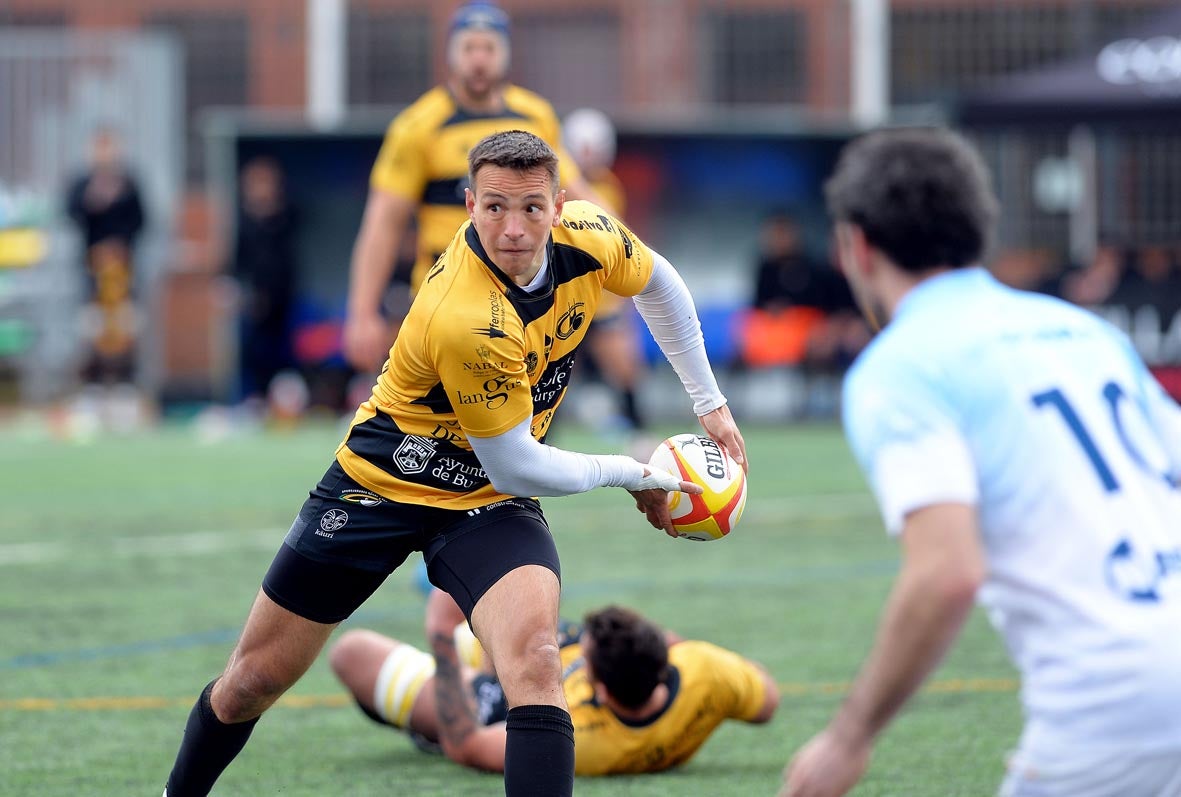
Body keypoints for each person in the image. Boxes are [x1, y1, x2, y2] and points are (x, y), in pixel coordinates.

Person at [161, 129, 746, 797]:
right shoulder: (468, 316)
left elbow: (660, 283)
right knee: (251, 682)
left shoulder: (592, 235)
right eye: (494, 206)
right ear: (469, 205)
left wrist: (710, 403)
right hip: (381, 483)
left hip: (482, 502)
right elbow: (518, 466)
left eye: (531, 207)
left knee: (533, 661)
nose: (514, 227)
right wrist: (631, 473)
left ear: (560, 206)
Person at [781, 127, 1181, 797]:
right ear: (978, 229)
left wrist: (849, 736)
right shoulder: (1087, 332)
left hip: (1112, 694)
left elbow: (946, 573)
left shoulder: (901, 366)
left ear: (856, 245)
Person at [343, 1, 603, 373]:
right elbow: (383, 223)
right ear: (451, 55)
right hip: (446, 297)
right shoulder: (418, 126)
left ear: (506, 54)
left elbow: (577, 195)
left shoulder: (536, 116)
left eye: (489, 49)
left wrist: (622, 244)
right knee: (446, 422)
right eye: (469, 48)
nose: (479, 60)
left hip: (525, 295)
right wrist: (362, 312)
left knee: (528, 422)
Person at [329, 588, 779, 775]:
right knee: (490, 615)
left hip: (506, 705)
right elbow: (767, 699)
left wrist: (442, 637)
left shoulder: (577, 739)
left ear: (599, 690)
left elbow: (466, 745)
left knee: (352, 653)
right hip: (541, 653)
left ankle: (438, 681)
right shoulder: (707, 672)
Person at [561, 107, 651, 451]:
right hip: (565, 298)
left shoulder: (608, 189)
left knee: (626, 370)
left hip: (600, 303)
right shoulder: (558, 187)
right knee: (550, 374)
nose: (589, 156)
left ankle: (639, 433)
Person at [64, 127, 146, 390]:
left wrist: (119, 245)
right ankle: (93, 384)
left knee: (126, 326)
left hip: (124, 271)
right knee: (92, 326)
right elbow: (70, 214)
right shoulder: (81, 184)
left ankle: (125, 382)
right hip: (92, 271)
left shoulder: (129, 183)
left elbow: (141, 220)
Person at [228, 157, 299, 408]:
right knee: (250, 352)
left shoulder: (285, 216)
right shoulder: (242, 222)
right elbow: (235, 263)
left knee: (284, 353)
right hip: (253, 305)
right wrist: (245, 295)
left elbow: (285, 261)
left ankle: (285, 402)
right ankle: (250, 401)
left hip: (283, 301)